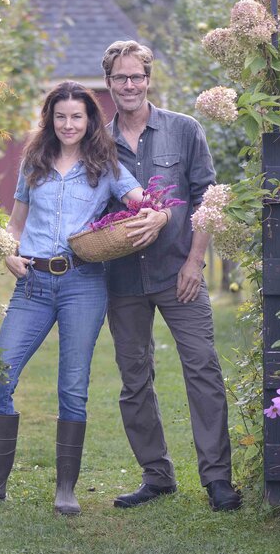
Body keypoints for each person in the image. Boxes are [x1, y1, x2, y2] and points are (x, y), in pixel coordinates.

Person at [0, 81, 147, 515]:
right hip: (32, 284)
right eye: (61, 116)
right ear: (50, 119)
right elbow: (15, 226)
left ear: (89, 119)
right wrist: (8, 254)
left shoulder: (104, 163)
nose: (68, 124)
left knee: (72, 387)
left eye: (77, 116)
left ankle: (65, 489)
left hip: (83, 283)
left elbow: (140, 201)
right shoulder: (33, 162)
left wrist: (152, 211)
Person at [101, 40, 242, 512]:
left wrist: (194, 262)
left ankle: (217, 479)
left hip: (178, 272)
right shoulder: (97, 142)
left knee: (202, 368)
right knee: (134, 378)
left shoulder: (184, 130)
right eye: (120, 77)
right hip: (122, 280)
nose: (129, 84)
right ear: (108, 83)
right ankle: (156, 475)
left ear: (149, 77)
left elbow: (208, 198)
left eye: (136, 75)